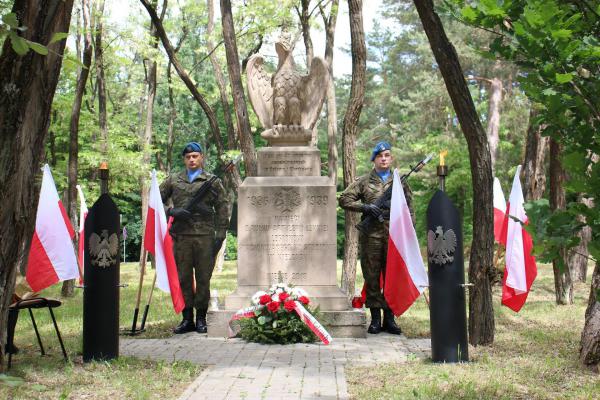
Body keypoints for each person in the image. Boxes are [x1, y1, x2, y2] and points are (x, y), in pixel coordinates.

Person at [339, 141, 413, 335]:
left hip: (394, 236)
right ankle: (375, 319)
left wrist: (408, 235)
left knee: (392, 276)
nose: (384, 158)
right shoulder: (364, 181)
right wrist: (365, 207)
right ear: (374, 159)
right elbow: (344, 199)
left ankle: (390, 318)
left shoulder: (400, 182)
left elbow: (409, 208)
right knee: (372, 276)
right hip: (371, 235)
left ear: (391, 158)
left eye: (387, 155)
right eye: (380, 156)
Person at [160, 142, 230, 334]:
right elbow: (156, 200)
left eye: (195, 156)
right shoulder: (174, 180)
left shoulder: (212, 181)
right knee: (183, 278)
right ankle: (186, 318)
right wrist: (172, 210)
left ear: (202, 158)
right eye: (188, 157)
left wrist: (221, 234)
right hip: (181, 237)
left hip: (205, 237)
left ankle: (201, 318)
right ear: (184, 159)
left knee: (203, 278)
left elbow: (223, 206)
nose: (192, 159)